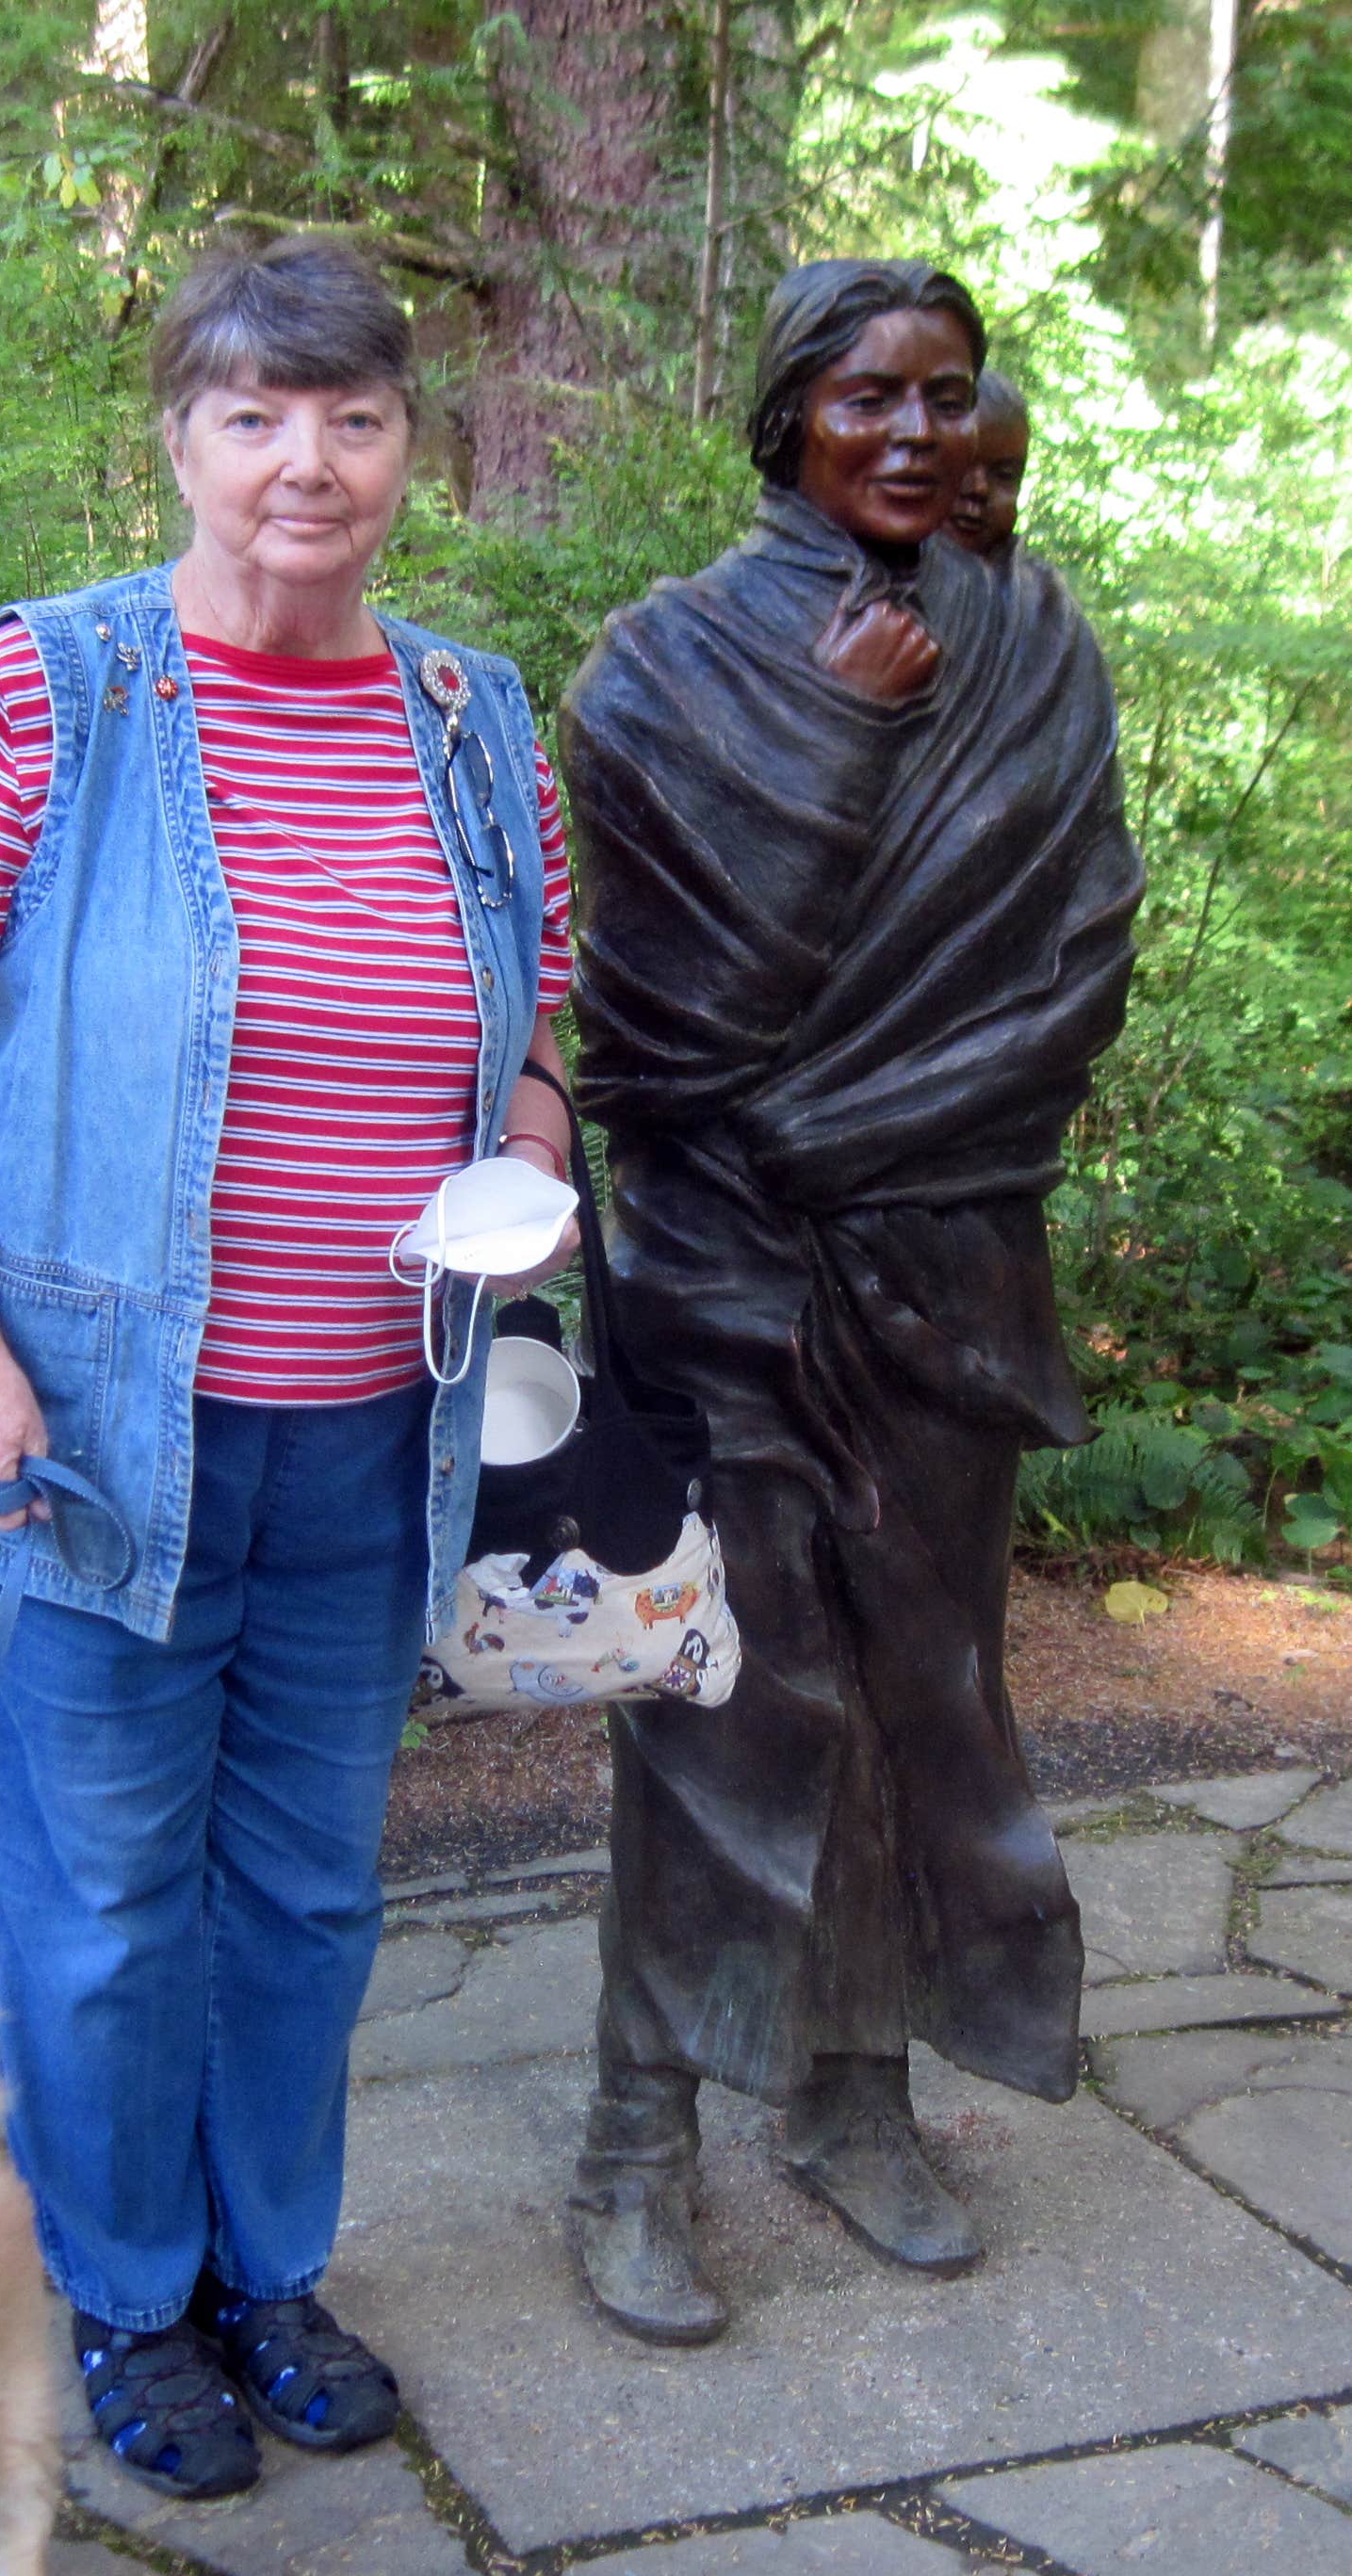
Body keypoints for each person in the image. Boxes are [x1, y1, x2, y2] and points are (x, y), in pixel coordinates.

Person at [0, 235, 574, 2495]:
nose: (302, 465)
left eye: (350, 418)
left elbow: (553, 1006)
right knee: (108, 1894)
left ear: (407, 449)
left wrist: (529, 1139)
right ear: (176, 437)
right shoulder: (46, 692)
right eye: (251, 416)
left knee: (314, 1888)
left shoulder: (473, 715)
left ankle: (272, 2269)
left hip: (374, 1428)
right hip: (87, 1442)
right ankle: (132, 2300)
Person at [557, 260, 1143, 2345]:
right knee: (722, 1694)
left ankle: (854, 2087)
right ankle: (637, 2132)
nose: (909, 429)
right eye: (865, 392)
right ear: (785, 413)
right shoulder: (662, 669)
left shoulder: (1037, 643)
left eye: (946, 393)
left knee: (925, 1679)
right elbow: (651, 1030)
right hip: (726, 1257)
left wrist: (870, 1134)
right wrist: (834, 735)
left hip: (951, 1252)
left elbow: (1077, 964)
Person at [949, 365, 1031, 560]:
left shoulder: (1034, 588)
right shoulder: (872, 575)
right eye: (962, 464)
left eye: (1004, 474)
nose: (979, 488)